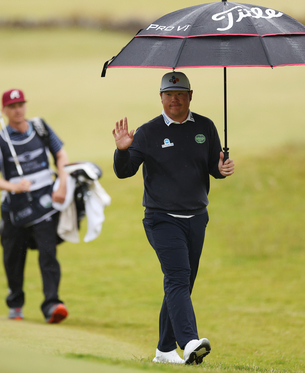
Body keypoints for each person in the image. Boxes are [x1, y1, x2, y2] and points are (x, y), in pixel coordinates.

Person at [112, 72, 235, 365]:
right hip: (161, 218)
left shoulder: (205, 126)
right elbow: (124, 171)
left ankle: (164, 351)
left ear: (190, 95)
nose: (174, 99)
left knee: (182, 282)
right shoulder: (148, 131)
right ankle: (189, 342)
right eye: (169, 94)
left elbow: (212, 167)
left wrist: (222, 168)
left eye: (180, 94)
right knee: (178, 278)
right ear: (161, 98)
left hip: (197, 218)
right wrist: (122, 150)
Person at [0, 88, 69, 323]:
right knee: (14, 257)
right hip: (15, 210)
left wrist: (62, 183)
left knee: (48, 254)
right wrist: (13, 187)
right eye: (12, 106)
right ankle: (16, 303)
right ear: (4, 111)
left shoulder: (40, 128)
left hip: (45, 205)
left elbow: (61, 155)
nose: (17, 109)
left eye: (20, 104)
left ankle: (52, 305)